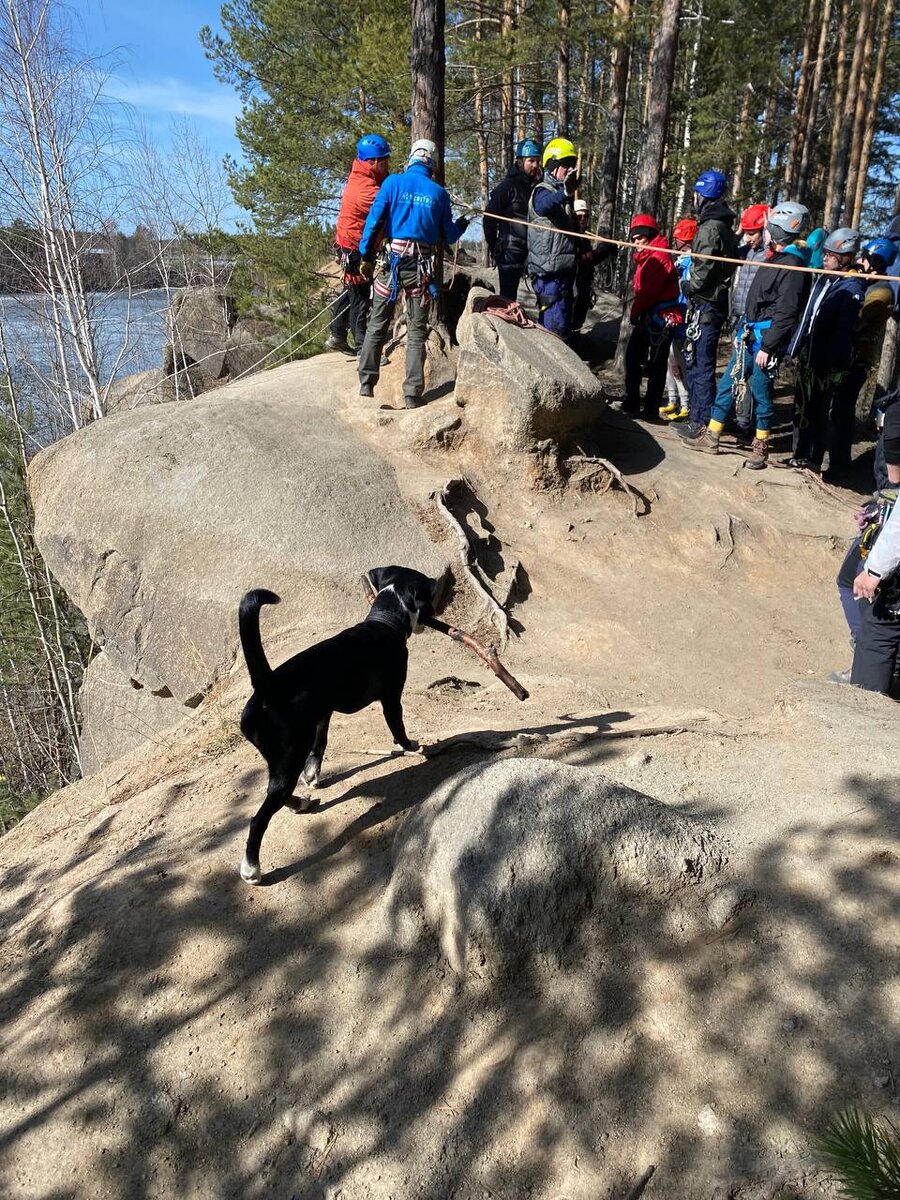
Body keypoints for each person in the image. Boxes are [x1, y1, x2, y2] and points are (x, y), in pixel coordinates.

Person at [682, 200, 810, 469]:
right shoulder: (775, 259)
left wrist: (769, 346)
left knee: (762, 393)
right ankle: (713, 436)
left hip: (765, 341)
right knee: (728, 384)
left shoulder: (793, 267)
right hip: (749, 333)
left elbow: (786, 313)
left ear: (776, 230)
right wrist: (743, 331)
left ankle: (760, 445)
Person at [356, 139, 469, 408]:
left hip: (391, 263)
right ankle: (411, 393)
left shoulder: (392, 183)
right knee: (417, 331)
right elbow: (450, 235)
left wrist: (366, 255)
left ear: (412, 158)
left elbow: (374, 222)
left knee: (377, 322)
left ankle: (366, 382)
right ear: (432, 163)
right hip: (420, 269)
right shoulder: (438, 193)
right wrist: (463, 223)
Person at [677, 169, 739, 440]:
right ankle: (702, 416)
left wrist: (686, 284)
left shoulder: (712, 227)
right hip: (709, 302)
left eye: (696, 193)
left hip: (706, 303)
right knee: (699, 360)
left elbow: (703, 270)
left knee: (700, 362)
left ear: (703, 194)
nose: (693, 197)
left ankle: (700, 421)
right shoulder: (719, 224)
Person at [326, 134, 391, 355]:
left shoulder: (365, 177)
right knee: (361, 299)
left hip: (349, 244)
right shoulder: (365, 189)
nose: (387, 165)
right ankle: (364, 349)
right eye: (383, 162)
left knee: (352, 291)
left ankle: (337, 333)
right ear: (371, 162)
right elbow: (391, 206)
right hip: (355, 248)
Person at [623, 213, 682, 418]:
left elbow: (649, 292)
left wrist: (635, 311)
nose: (637, 242)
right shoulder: (647, 256)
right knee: (634, 358)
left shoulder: (658, 256)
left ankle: (649, 408)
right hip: (650, 315)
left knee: (655, 364)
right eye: (634, 239)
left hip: (659, 318)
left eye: (641, 238)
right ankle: (633, 401)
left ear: (650, 236)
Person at [526, 137, 581, 340]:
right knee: (553, 334)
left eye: (572, 165)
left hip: (563, 275)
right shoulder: (542, 191)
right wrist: (566, 192)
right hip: (549, 277)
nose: (570, 169)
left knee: (562, 331)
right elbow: (543, 206)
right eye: (566, 165)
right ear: (553, 165)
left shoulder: (563, 196)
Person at [724, 203, 769, 442]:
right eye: (747, 233)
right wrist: (739, 234)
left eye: (753, 233)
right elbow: (731, 255)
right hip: (740, 316)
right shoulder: (748, 251)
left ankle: (745, 423)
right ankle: (739, 418)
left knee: (750, 374)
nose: (749, 238)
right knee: (737, 369)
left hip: (757, 322)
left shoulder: (769, 255)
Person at [483, 139, 542, 301]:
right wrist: (494, 245)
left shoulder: (536, 188)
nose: (535, 165)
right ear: (520, 161)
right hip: (509, 253)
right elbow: (489, 218)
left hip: (530, 253)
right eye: (531, 161)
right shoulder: (507, 187)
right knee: (507, 298)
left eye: (537, 161)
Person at [661, 217, 697, 422]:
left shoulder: (691, 262)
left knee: (678, 360)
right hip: (675, 313)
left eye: (677, 238)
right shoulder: (680, 260)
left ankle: (685, 403)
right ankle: (673, 399)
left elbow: (688, 289)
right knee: (669, 359)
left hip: (685, 317)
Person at [571, 198, 613, 335]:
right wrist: (601, 251)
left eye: (585, 216)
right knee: (572, 319)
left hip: (583, 284)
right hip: (573, 284)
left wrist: (603, 252)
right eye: (579, 216)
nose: (583, 219)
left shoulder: (584, 236)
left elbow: (589, 259)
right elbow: (580, 259)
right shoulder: (570, 235)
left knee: (578, 319)